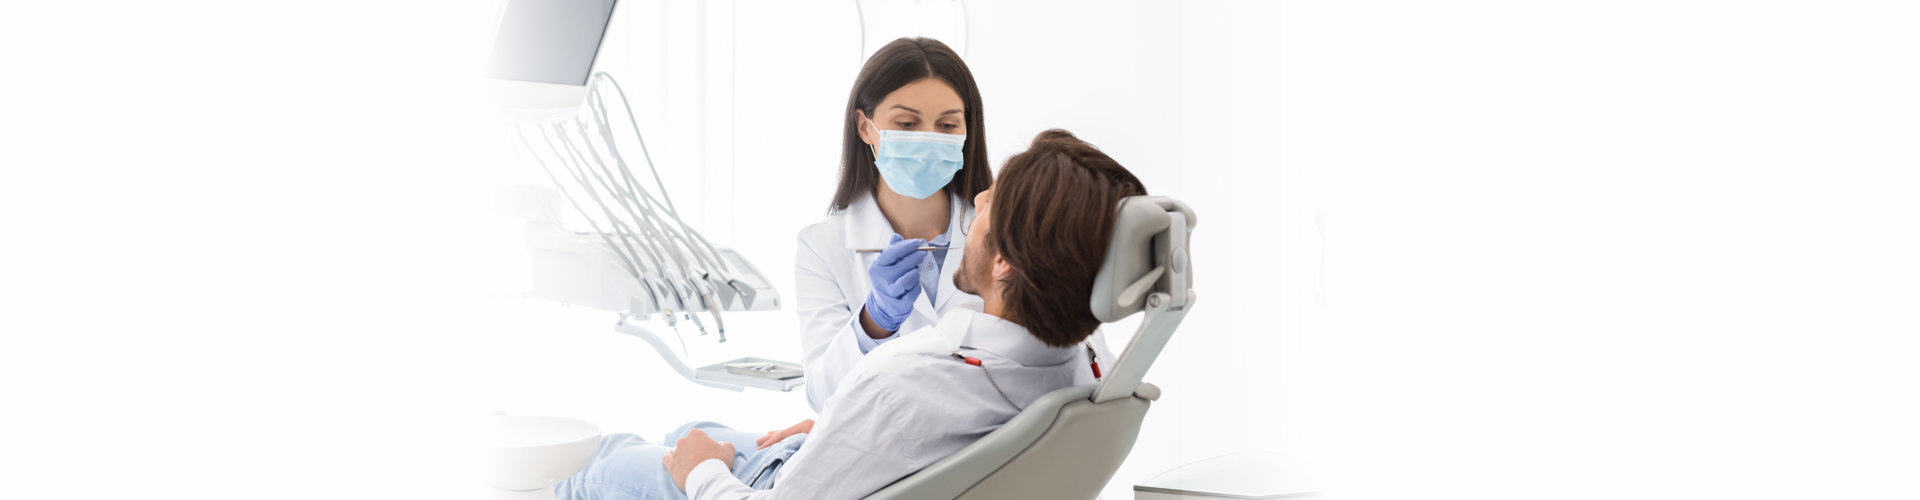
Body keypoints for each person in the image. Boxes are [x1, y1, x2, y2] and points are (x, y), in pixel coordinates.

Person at [553, 129, 1149, 500]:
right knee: (680, 433)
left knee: (585, 466)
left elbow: (904, 410)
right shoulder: (1090, 364)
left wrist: (703, 476)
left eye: (995, 203)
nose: (982, 198)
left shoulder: (907, 385)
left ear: (1005, 266)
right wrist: (848, 433)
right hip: (843, 464)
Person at [792, 37, 1117, 418]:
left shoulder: (1013, 231)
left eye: (947, 125)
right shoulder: (822, 246)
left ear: (967, 131)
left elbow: (1082, 358)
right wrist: (873, 324)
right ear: (865, 127)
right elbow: (822, 395)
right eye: (907, 123)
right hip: (888, 447)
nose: (928, 138)